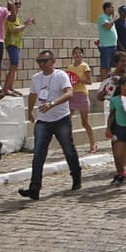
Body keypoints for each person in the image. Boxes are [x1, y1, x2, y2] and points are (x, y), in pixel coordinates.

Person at [18, 50, 82, 199]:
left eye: (44, 61)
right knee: (38, 153)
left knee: (68, 149)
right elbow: (33, 94)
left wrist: (52, 103)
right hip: (43, 120)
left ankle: (76, 176)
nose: (41, 64)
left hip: (61, 118)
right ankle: (34, 188)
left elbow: (69, 93)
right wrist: (30, 112)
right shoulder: (36, 78)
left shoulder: (60, 75)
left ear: (53, 62)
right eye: (39, 61)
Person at [65, 46, 97, 153]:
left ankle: (93, 144)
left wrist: (79, 79)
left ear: (82, 54)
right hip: (72, 95)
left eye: (79, 53)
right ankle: (68, 144)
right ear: (73, 55)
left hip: (82, 95)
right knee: (66, 121)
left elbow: (89, 81)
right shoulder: (69, 67)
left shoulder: (85, 66)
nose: (77, 55)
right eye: (75, 53)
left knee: (85, 122)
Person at [3, 0, 35, 97]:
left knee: (14, 66)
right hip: (11, 43)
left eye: (18, 3)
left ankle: (10, 87)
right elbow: (13, 30)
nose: (17, 5)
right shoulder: (10, 16)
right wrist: (26, 24)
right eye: (15, 3)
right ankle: (6, 88)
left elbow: (18, 28)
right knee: (14, 65)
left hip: (16, 43)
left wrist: (26, 24)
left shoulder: (16, 17)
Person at [97, 1, 118, 81]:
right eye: (112, 7)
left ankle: (108, 82)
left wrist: (112, 18)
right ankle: (103, 83)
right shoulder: (102, 17)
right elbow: (108, 26)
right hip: (106, 46)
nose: (113, 9)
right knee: (104, 66)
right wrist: (114, 18)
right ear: (107, 8)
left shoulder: (110, 18)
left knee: (110, 66)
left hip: (113, 45)